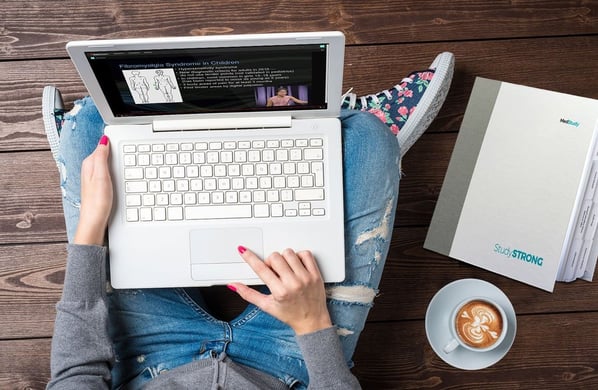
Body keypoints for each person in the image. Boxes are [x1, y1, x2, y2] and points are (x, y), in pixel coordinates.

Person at [43, 52, 454, 389]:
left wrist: (92, 229)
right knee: (368, 137)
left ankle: (285, 132)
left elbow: (75, 375)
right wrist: (311, 324)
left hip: (146, 354)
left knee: (90, 122)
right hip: (290, 363)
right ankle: (321, 124)